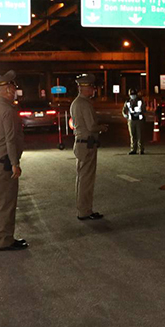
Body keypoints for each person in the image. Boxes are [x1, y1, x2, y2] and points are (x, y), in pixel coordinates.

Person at [0, 71, 27, 250]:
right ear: (8, 89)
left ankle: (5, 237)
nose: (14, 91)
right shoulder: (8, 110)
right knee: (6, 204)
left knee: (1, 203)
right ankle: (5, 240)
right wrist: (15, 163)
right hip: (3, 163)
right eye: (12, 88)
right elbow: (10, 139)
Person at [70, 74, 108, 221]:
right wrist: (102, 128)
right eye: (91, 87)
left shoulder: (76, 103)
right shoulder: (84, 104)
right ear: (84, 88)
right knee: (86, 179)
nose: (93, 90)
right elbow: (91, 126)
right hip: (87, 144)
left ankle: (83, 209)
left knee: (82, 178)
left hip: (81, 143)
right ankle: (85, 211)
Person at [122, 88, 146, 155]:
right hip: (131, 120)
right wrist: (125, 115)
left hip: (139, 120)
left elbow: (144, 109)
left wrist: (140, 113)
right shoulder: (127, 102)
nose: (133, 96)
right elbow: (124, 110)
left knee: (140, 135)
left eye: (134, 95)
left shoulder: (140, 101)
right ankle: (133, 149)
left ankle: (141, 149)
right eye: (131, 95)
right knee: (132, 135)